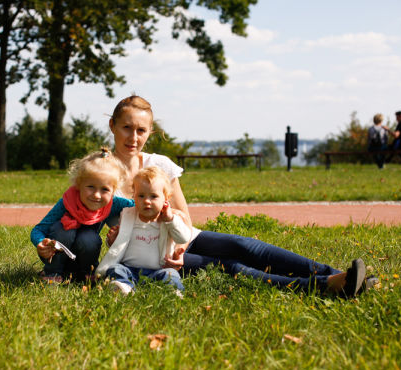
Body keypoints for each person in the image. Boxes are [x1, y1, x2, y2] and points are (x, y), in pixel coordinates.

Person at [106, 95, 370, 297]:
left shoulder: (159, 164)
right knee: (230, 267)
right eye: (127, 127)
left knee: (246, 246)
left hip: (181, 240)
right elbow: (82, 217)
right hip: (153, 256)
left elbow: (184, 215)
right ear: (113, 126)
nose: (133, 137)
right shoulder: (101, 173)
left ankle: (338, 275)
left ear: (149, 132)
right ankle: (325, 286)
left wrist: (182, 246)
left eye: (141, 130)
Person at [30, 148, 133, 283]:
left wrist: (159, 205)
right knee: (64, 231)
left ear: (114, 190)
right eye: (90, 187)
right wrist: (40, 244)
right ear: (79, 184)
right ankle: (53, 272)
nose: (97, 195)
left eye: (105, 189)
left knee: (89, 238)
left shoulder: (113, 203)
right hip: (57, 255)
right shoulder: (67, 202)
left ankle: (86, 273)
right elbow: (38, 230)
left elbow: (138, 204)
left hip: (84, 256)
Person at [96, 166, 191, 296]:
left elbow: (184, 238)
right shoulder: (128, 215)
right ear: (133, 196)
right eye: (141, 196)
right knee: (115, 269)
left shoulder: (169, 219)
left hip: (158, 270)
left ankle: (172, 291)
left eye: (153, 196)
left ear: (166, 199)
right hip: (129, 268)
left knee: (171, 274)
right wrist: (112, 241)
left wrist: (170, 219)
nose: (146, 201)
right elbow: (121, 243)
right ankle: (124, 287)